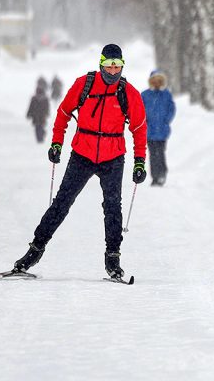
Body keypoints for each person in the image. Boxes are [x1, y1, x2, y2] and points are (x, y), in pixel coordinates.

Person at [12, 44, 147, 280]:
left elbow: (139, 128)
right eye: (109, 66)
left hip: (113, 157)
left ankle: (113, 260)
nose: (113, 71)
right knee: (61, 204)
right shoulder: (84, 85)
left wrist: (139, 162)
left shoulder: (128, 93)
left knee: (113, 208)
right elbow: (63, 113)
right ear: (101, 64)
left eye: (118, 66)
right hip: (82, 154)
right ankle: (32, 253)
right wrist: (56, 144)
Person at [141, 70, 176, 187]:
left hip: (162, 131)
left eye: (159, 80)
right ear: (151, 81)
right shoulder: (145, 95)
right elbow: (140, 110)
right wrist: (145, 121)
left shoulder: (166, 94)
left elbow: (171, 108)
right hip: (149, 131)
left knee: (160, 153)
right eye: (154, 80)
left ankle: (162, 174)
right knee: (152, 154)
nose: (157, 83)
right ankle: (155, 177)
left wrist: (166, 120)